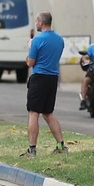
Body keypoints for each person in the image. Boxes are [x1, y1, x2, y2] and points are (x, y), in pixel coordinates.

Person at [22, 12, 68, 157]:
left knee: (33, 113)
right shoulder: (60, 40)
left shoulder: (37, 40)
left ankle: (32, 149)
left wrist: (30, 49)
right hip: (53, 78)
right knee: (48, 113)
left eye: (36, 21)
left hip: (39, 77)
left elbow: (31, 62)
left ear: (41, 22)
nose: (36, 24)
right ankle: (61, 145)